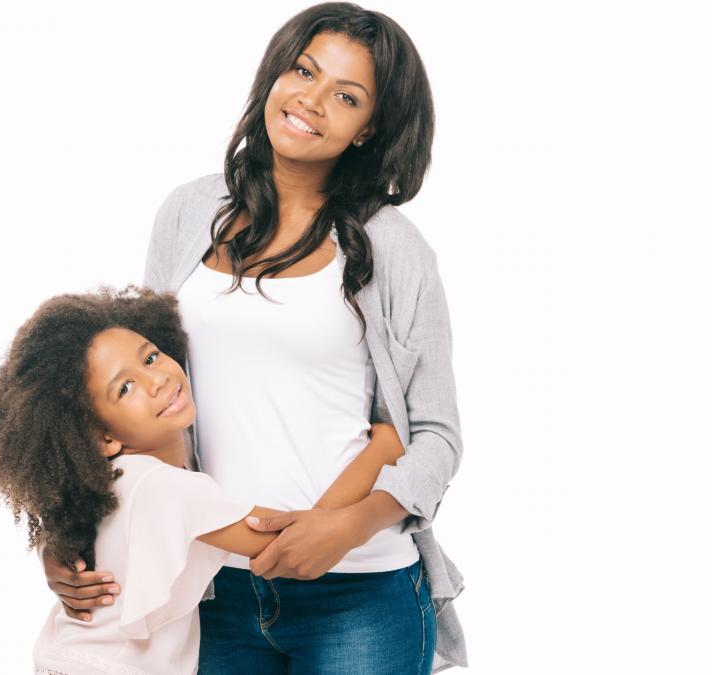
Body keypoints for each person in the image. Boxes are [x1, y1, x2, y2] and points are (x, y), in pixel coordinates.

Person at [41, 4, 467, 673]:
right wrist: (67, 530)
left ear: (370, 128)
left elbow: (435, 435)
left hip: (359, 592)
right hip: (216, 588)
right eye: (304, 71)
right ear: (275, 73)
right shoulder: (188, 212)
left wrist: (347, 528)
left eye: (346, 96)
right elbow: (134, 400)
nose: (311, 100)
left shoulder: (393, 248)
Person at [0, 286, 407, 675]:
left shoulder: (105, 485)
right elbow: (293, 540)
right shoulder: (169, 489)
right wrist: (383, 449)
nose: (157, 379)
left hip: (63, 656)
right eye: (125, 388)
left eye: (150, 356)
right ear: (101, 437)